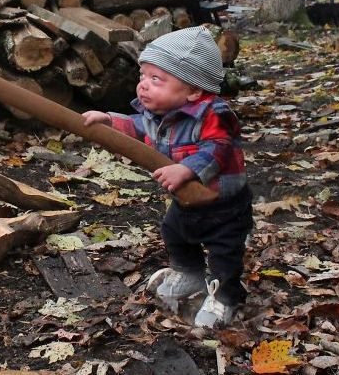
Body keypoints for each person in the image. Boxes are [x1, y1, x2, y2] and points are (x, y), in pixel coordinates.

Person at [82, 26, 252, 328]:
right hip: (186, 201)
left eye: (156, 79)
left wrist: (186, 169)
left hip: (224, 205)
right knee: (175, 232)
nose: (143, 86)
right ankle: (189, 273)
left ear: (193, 90)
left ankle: (226, 296)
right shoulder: (157, 115)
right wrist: (108, 120)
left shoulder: (215, 113)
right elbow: (136, 128)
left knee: (224, 253)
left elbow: (219, 147)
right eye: (142, 77)